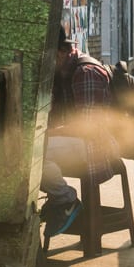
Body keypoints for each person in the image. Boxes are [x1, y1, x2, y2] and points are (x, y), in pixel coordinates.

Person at [39, 28, 119, 240]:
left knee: (34, 155)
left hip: (96, 147)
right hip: (74, 143)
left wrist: (49, 133)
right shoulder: (62, 73)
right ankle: (60, 198)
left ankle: (65, 199)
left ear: (58, 53)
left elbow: (87, 127)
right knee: (27, 151)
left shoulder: (86, 73)